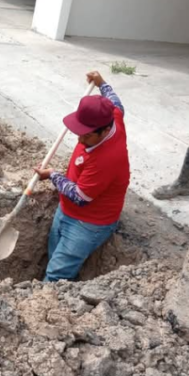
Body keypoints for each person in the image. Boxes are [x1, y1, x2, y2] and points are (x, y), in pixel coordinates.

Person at [33, 71, 130, 282]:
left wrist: (53, 175)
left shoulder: (106, 159)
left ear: (104, 131)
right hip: (66, 209)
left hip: (89, 222)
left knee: (56, 274)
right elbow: (116, 103)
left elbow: (80, 197)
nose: (79, 138)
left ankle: (43, 306)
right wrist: (101, 82)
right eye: (79, 131)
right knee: (54, 257)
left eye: (86, 135)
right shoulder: (113, 117)